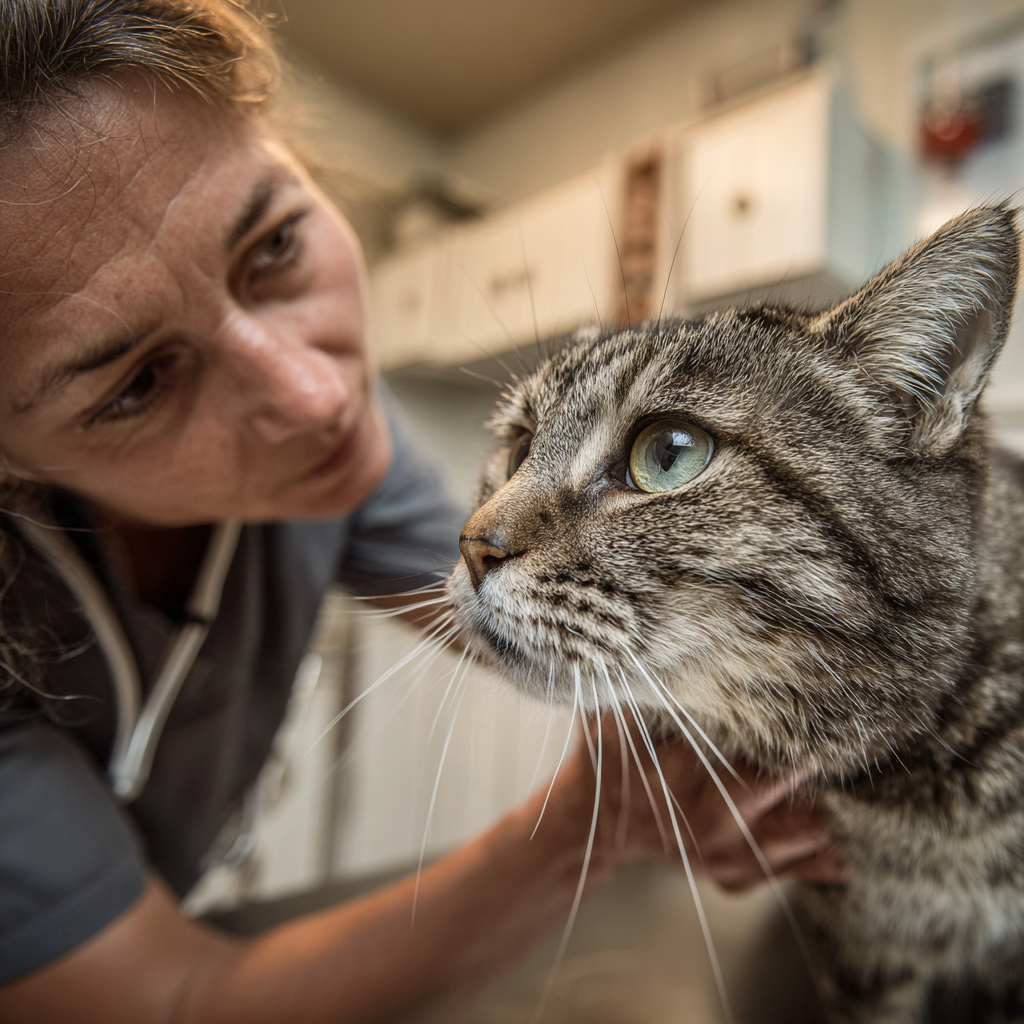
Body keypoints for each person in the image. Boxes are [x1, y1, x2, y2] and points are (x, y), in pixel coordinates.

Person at [0, 2, 845, 1021]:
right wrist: (606, 821)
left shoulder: (335, 455)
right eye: (137, 385)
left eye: (271, 249)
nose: (315, 395)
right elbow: (168, 999)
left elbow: (522, 613)